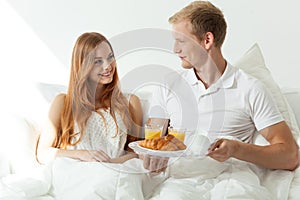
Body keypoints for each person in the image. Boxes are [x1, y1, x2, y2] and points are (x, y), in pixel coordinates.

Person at [144, 1, 298, 172]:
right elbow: (151, 143)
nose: (175, 49)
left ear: (207, 40)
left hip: (226, 181)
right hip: (176, 179)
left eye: (181, 41)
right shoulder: (168, 86)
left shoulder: (249, 89)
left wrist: (237, 149)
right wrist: (151, 157)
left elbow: (290, 156)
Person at [36, 32, 143, 164]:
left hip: (113, 174)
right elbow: (43, 154)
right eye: (98, 61)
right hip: (73, 173)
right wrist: (82, 154)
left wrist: (110, 163)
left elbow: (137, 153)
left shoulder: (130, 102)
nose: (108, 66)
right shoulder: (63, 102)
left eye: (110, 57)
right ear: (82, 65)